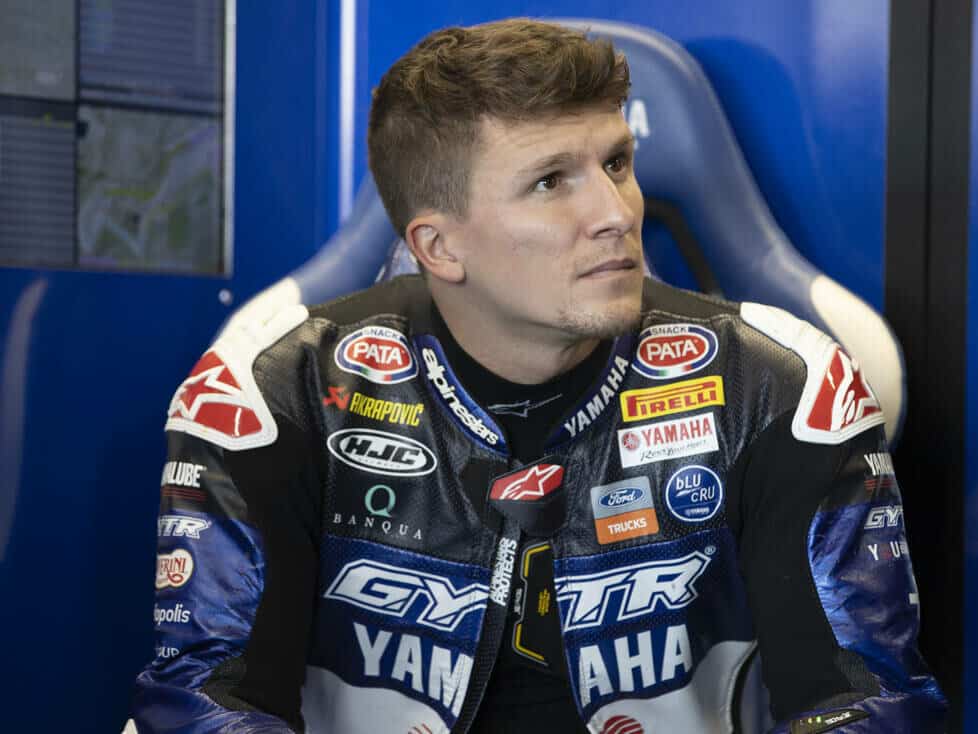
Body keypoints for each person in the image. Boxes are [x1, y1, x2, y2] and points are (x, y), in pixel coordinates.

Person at [130, 18, 946, 734]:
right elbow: (209, 698)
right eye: (551, 182)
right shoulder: (274, 395)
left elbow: (867, 702)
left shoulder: (781, 386)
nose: (617, 213)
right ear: (439, 246)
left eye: (618, 163)